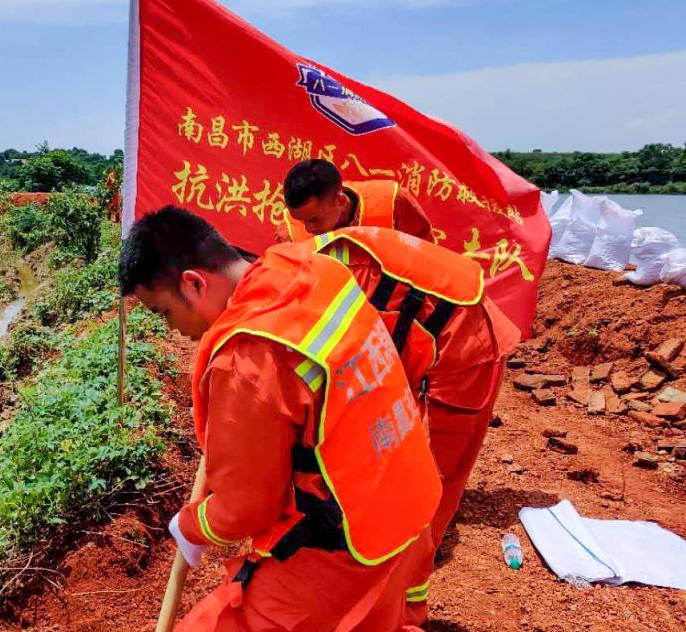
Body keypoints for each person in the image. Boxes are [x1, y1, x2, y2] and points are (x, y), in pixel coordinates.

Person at [119, 206, 441, 632]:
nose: (173, 329)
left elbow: (246, 508)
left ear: (193, 283)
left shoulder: (248, 358)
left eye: (163, 312)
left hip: (350, 542)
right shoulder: (311, 267)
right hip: (407, 500)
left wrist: (191, 524)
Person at [286, 228, 520, 626]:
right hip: (420, 338)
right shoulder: (315, 263)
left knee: (433, 486)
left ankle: (409, 604)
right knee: (393, 458)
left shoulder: (339, 276)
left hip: (469, 349)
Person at [277, 159, 434, 244]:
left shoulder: (393, 202)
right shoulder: (290, 231)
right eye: (302, 220)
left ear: (340, 199)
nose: (308, 228)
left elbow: (427, 256)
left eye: (313, 219)